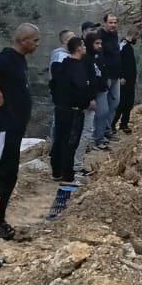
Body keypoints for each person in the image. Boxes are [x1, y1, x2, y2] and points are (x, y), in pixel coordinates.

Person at [0, 23, 39, 239]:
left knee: (10, 173)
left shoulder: (19, 60)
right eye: (35, 41)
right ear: (24, 40)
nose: (37, 45)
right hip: (3, 127)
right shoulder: (7, 57)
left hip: (14, 128)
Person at [47, 36, 94, 218]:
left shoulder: (61, 66)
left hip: (60, 108)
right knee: (70, 142)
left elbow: (52, 84)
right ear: (78, 48)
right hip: (73, 110)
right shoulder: (76, 67)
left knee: (59, 139)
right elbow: (81, 88)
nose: (85, 48)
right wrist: (87, 101)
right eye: (83, 46)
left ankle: (56, 171)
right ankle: (67, 176)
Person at [93, 12, 123, 148]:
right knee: (103, 108)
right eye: (110, 22)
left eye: (115, 22)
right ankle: (99, 135)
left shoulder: (114, 34)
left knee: (114, 103)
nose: (113, 25)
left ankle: (107, 130)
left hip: (116, 75)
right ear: (105, 23)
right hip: (106, 76)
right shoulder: (100, 35)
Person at [47, 28, 73, 161]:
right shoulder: (59, 55)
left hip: (66, 95)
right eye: (73, 37)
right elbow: (57, 77)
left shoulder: (68, 54)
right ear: (66, 41)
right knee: (57, 121)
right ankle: (54, 148)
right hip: (60, 95)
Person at [112, 32, 137, 135]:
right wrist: (121, 76)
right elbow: (118, 61)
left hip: (130, 81)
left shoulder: (129, 47)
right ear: (132, 35)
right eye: (136, 35)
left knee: (129, 103)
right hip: (124, 81)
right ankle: (112, 125)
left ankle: (124, 124)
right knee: (121, 104)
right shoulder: (123, 45)